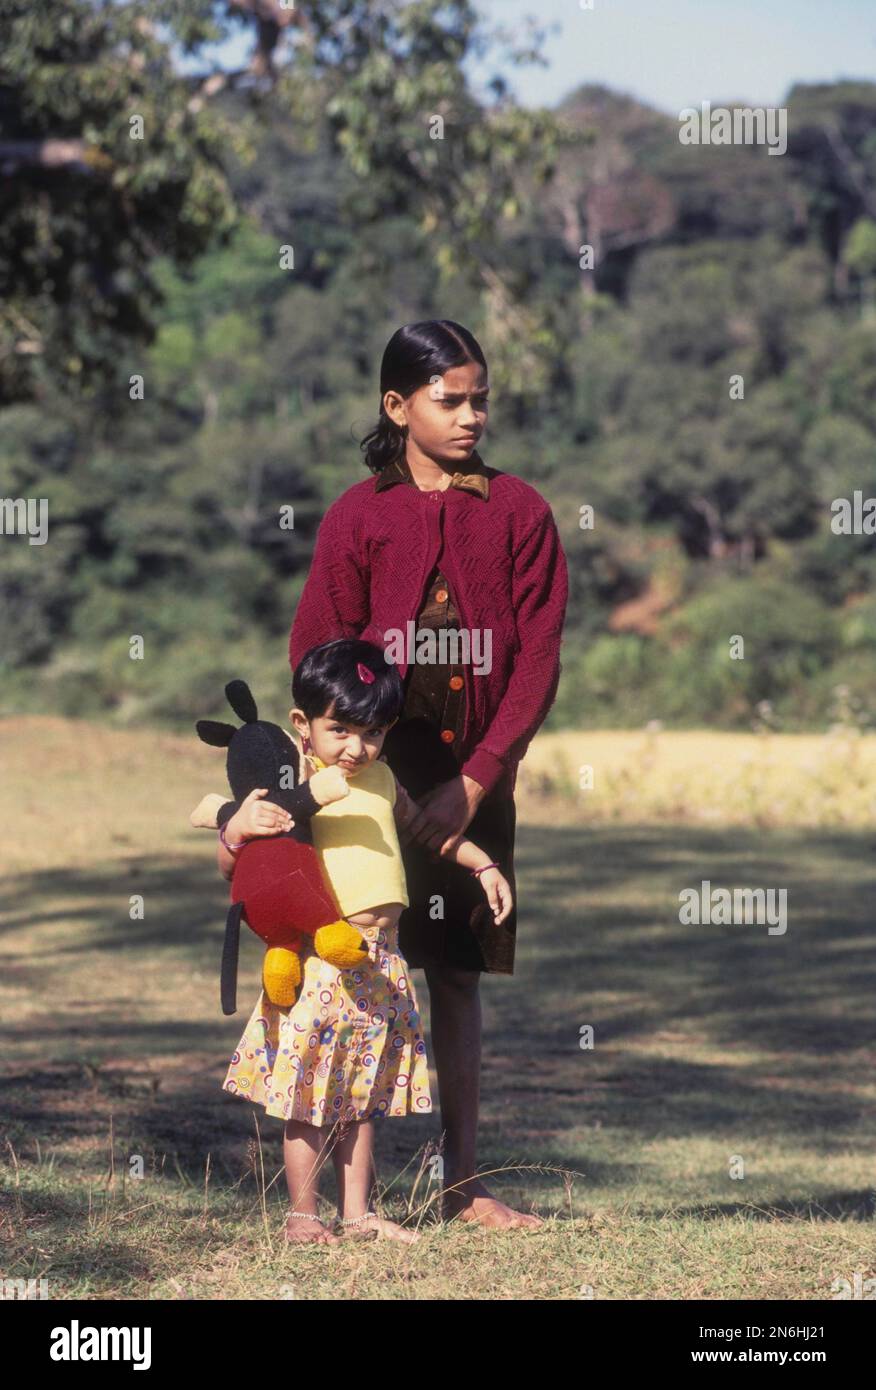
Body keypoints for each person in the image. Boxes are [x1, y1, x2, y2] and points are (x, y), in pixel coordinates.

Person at [289, 319, 569, 1229]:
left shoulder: (519, 512)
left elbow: (536, 663)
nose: (471, 416)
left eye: (480, 398)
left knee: (454, 977)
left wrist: (479, 780)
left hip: (479, 778)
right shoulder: (357, 516)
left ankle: (463, 1185)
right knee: (355, 973)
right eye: (450, 400)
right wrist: (369, 775)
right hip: (372, 782)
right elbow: (317, 647)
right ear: (396, 405)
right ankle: (328, 1199)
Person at [214, 637, 514, 1245]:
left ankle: (358, 1213)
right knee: (306, 1093)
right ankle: (303, 1215)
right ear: (303, 724)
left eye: (372, 732)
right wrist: (237, 830)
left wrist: (482, 864)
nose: (356, 747)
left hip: (381, 963)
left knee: (362, 1092)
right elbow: (240, 868)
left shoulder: (381, 779)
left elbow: (431, 833)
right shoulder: (290, 781)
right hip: (319, 962)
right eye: (340, 730)